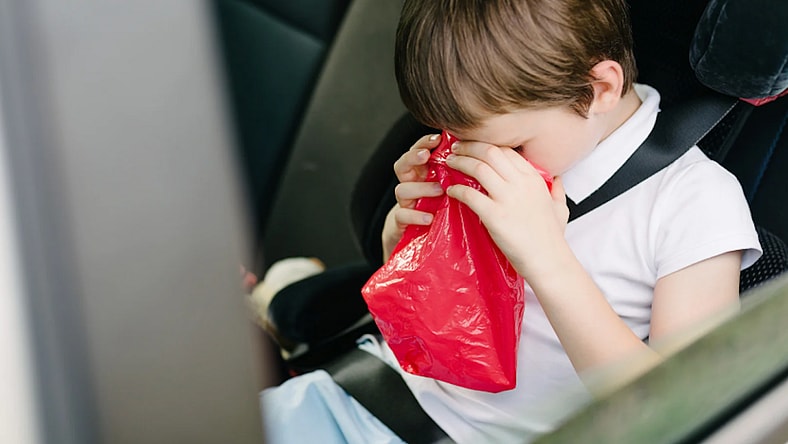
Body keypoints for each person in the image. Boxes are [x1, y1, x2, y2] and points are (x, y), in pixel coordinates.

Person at [260, 0, 762, 442]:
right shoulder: (511, 125)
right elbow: (434, 310)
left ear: (600, 88)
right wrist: (407, 231)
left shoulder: (694, 204)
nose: (484, 160)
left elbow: (686, 405)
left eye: (513, 146)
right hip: (356, 394)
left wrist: (547, 260)